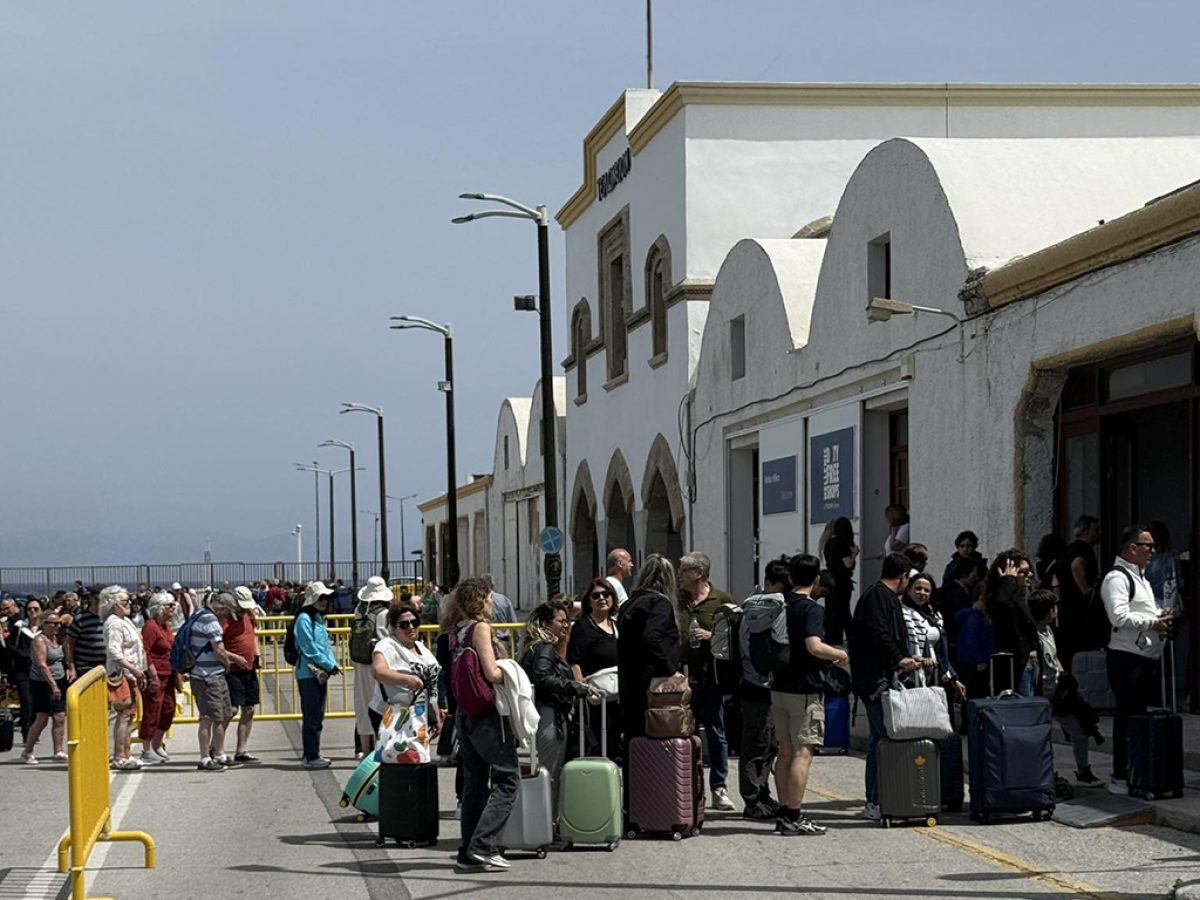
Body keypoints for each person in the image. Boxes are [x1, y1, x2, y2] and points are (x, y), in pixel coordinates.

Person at [772, 554, 848, 835]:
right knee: (803, 752)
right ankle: (794, 815)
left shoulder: (778, 603)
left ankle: (783, 812)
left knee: (784, 751)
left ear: (790, 577)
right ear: (816, 579)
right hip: (804, 689)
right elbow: (814, 646)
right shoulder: (811, 609)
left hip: (777, 686)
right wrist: (841, 655)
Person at [449, 577, 518, 873]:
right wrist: (511, 671)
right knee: (507, 780)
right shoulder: (480, 629)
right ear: (480, 600)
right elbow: (491, 673)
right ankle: (483, 844)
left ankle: (467, 851)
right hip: (487, 717)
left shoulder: (456, 631)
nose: (493, 602)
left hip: (465, 714)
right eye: (489, 597)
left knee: (474, 785)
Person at [848, 552, 919, 821]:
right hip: (874, 681)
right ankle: (877, 799)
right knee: (886, 736)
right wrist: (898, 657)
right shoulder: (878, 597)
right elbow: (879, 632)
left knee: (879, 739)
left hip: (880, 678)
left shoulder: (880, 596)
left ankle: (878, 798)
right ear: (903, 577)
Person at [1102, 525, 1171, 796]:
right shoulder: (1116, 578)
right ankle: (1120, 775)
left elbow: (1139, 610)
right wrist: (1153, 622)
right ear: (1131, 549)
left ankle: (1138, 772)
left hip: (1143, 658)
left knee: (1138, 717)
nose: (1152, 551)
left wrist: (1158, 614)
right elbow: (1118, 617)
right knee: (1126, 718)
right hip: (1126, 659)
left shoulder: (1140, 577)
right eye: (1147, 546)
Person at [676, 550, 735, 811]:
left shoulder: (721, 600)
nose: (679, 575)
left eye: (684, 571)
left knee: (716, 732)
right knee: (682, 733)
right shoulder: (676, 600)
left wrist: (712, 636)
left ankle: (719, 788)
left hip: (710, 676)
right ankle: (684, 787)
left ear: (699, 573)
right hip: (681, 677)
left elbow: (735, 637)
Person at [1027, 590, 1099, 785]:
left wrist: (1063, 674)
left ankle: (1083, 769)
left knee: (1079, 730)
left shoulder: (1048, 631)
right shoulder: (1032, 635)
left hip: (1058, 693)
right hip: (1042, 696)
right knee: (1043, 738)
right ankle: (1046, 776)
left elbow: (1054, 658)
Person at [616, 554, 682, 758]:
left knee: (633, 741)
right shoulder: (660, 604)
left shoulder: (630, 604)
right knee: (656, 740)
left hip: (629, 683)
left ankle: (633, 788)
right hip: (653, 687)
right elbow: (652, 637)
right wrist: (671, 670)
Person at [738, 557, 788, 820]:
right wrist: (766, 675)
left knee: (769, 745)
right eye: (778, 587)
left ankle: (762, 795)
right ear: (768, 583)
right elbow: (750, 651)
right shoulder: (755, 610)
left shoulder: (775, 606)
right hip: (756, 687)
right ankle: (752, 801)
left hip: (767, 687)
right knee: (756, 745)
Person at [520, 601, 591, 788]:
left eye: (568, 621)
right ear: (546, 624)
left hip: (544, 713)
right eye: (561, 621)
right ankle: (548, 815)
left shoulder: (535, 647)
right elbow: (543, 677)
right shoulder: (545, 647)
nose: (566, 625)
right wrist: (575, 687)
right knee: (549, 773)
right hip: (548, 716)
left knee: (546, 771)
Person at [371, 602, 443, 755]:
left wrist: (435, 715)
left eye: (414, 622)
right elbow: (378, 671)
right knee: (395, 764)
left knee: (417, 762)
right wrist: (406, 679)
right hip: (395, 714)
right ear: (393, 627)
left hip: (419, 716)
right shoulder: (387, 645)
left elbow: (431, 684)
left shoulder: (421, 647)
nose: (410, 627)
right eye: (404, 624)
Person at [190, 592, 250, 771]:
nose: (226, 616)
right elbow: (219, 649)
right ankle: (205, 758)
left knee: (220, 715)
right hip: (208, 675)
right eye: (226, 612)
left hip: (206, 674)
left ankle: (219, 753)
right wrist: (228, 663)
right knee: (208, 717)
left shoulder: (199, 616)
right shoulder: (211, 621)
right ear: (221, 607)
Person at [567, 578, 621, 759]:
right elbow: (574, 662)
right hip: (595, 696)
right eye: (596, 595)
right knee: (598, 740)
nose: (602, 598)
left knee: (614, 739)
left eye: (606, 594)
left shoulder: (616, 624)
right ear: (589, 601)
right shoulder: (582, 628)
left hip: (618, 694)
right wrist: (582, 690)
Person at [294, 581, 340, 769]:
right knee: (312, 716)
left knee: (317, 715)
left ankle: (312, 753)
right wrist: (329, 664)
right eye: (321, 598)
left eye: (326, 598)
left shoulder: (318, 619)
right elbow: (309, 648)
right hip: (308, 673)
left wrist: (332, 664)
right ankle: (311, 755)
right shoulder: (304, 619)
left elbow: (325, 644)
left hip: (320, 673)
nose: (324, 601)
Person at [101, 586, 148, 770]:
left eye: (129, 600)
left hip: (131, 674)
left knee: (130, 715)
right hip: (122, 674)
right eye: (124, 601)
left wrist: (139, 671)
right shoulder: (114, 623)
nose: (129, 604)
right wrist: (133, 670)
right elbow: (114, 652)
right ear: (113, 604)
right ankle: (119, 755)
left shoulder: (125, 620)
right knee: (124, 714)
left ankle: (126, 753)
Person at [983, 550, 1039, 696]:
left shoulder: (1019, 598)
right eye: (1023, 572)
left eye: (1030, 571)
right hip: (1015, 667)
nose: (1030, 575)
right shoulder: (1000, 598)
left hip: (1028, 664)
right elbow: (1002, 610)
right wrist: (1008, 580)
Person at [1145, 520, 1189, 710]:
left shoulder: (1145, 560)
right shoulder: (1171, 557)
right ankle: (1169, 696)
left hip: (1149, 608)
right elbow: (1178, 583)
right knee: (1169, 653)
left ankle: (1153, 695)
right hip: (1168, 609)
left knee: (1150, 655)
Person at [353, 576, 393, 756]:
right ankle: (380, 748)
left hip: (360, 663)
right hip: (377, 663)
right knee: (379, 704)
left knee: (362, 705)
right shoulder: (383, 614)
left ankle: (363, 750)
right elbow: (386, 639)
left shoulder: (359, 611)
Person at [20, 610, 67, 764]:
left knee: (59, 717)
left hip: (59, 680)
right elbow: (42, 664)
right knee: (42, 718)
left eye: (59, 623)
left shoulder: (57, 639)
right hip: (43, 683)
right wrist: (53, 685)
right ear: (44, 624)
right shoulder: (39, 640)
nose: (57, 626)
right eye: (54, 623)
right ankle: (28, 751)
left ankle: (58, 750)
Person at [1057, 514, 1101, 670]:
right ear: (1086, 531)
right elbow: (1076, 566)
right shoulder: (1083, 550)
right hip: (1078, 611)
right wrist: (1086, 590)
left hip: (1067, 610)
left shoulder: (1069, 549)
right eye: (1096, 530)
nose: (1099, 534)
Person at [222, 586, 261, 763]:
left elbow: (253, 636)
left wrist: (257, 654)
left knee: (249, 709)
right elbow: (217, 645)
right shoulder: (226, 618)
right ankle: (217, 747)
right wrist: (235, 658)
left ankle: (242, 750)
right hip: (232, 669)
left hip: (249, 668)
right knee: (231, 710)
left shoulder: (250, 615)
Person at [138, 592, 176, 765]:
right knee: (152, 710)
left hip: (168, 675)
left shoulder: (167, 626)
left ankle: (157, 742)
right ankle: (146, 749)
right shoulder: (150, 626)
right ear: (160, 608)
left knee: (168, 709)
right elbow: (145, 652)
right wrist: (152, 675)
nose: (173, 608)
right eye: (169, 605)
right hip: (155, 675)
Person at [820, 517, 858, 646]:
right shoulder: (844, 542)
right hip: (842, 581)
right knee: (843, 610)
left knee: (832, 610)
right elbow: (847, 564)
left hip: (831, 581)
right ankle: (852, 637)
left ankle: (832, 637)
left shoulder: (829, 542)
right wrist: (854, 554)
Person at [64, 588, 106, 685]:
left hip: (105, 667)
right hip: (85, 667)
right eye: (98, 599)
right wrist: (71, 667)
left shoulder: (108, 618)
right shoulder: (80, 618)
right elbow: (69, 643)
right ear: (91, 598)